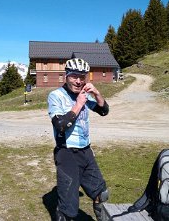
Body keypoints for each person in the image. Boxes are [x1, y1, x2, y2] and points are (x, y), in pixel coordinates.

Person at [47, 58, 109, 221]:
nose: (78, 81)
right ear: (66, 76)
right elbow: (60, 125)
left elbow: (104, 110)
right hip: (67, 153)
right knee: (68, 209)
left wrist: (96, 94)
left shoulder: (85, 95)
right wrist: (79, 104)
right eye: (74, 76)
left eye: (82, 77)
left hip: (85, 150)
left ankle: (102, 215)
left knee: (101, 193)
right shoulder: (56, 96)